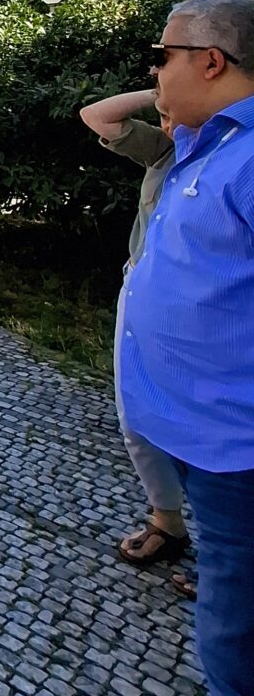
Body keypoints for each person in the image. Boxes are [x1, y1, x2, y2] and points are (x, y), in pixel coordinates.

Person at [99, 0, 254, 696]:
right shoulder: (204, 146)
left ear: (208, 59)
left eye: (161, 55)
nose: (153, 73)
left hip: (242, 471)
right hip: (206, 457)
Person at [81, 86, 194, 590]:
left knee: (215, 432)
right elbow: (96, 115)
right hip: (142, 294)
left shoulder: (234, 153)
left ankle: (226, 559)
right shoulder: (167, 149)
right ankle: (167, 521)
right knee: (136, 416)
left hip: (204, 311)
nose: (166, 120)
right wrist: (163, 94)